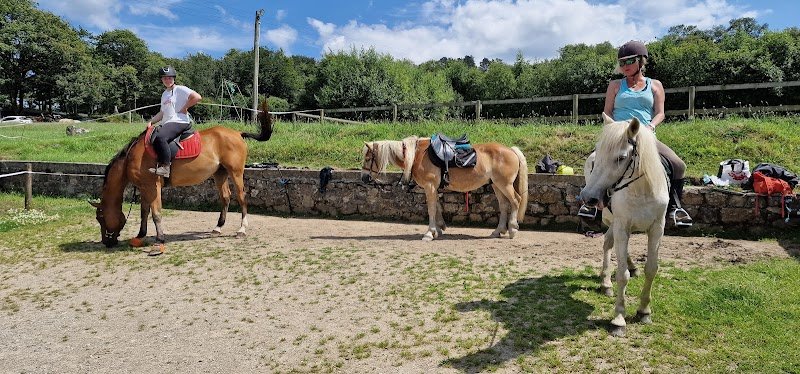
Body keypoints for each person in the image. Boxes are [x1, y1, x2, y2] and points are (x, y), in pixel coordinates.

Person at [580, 40, 693, 227]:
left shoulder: (655, 85)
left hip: (645, 135)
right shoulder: (615, 85)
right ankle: (591, 204)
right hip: (618, 135)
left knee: (678, 164)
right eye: (621, 62)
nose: (624, 66)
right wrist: (613, 129)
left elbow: (660, 113)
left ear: (641, 61)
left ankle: (675, 207)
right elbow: (607, 111)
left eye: (629, 61)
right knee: (593, 160)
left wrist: (650, 127)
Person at [146, 66, 202, 178]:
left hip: (179, 121)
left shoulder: (180, 89)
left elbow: (197, 97)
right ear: (162, 80)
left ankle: (165, 167)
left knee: (161, 137)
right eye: (165, 78)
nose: (167, 80)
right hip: (168, 123)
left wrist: (185, 107)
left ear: (174, 78)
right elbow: (162, 113)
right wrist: (151, 122)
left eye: (170, 78)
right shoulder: (164, 94)